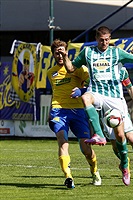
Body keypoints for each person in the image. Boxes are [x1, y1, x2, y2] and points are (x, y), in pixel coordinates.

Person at [58, 26, 133, 186]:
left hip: (114, 98)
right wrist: (65, 57)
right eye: (101, 40)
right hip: (96, 93)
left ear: (109, 39)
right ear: (96, 39)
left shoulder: (117, 52)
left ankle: (125, 165)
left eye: (107, 40)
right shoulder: (87, 52)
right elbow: (71, 68)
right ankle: (99, 134)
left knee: (120, 136)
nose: (104, 42)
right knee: (85, 98)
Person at [47, 39, 101, 189]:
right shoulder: (51, 73)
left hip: (78, 111)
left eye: (62, 51)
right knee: (62, 140)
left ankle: (94, 171)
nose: (59, 55)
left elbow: (93, 86)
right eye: (57, 52)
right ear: (52, 54)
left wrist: (81, 91)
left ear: (67, 52)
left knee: (86, 149)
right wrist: (50, 112)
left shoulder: (79, 69)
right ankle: (68, 177)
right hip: (59, 110)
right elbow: (55, 92)